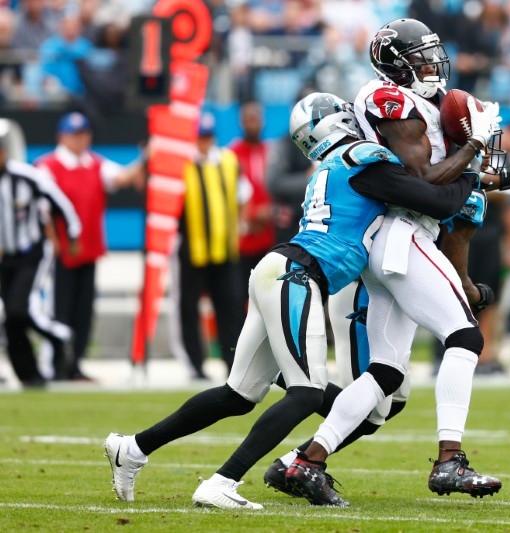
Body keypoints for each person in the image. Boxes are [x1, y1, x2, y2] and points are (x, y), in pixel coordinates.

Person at [103, 92, 475, 509]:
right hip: (296, 276)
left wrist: (496, 176)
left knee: (239, 395)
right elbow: (436, 198)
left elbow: (423, 187)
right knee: (307, 393)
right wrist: (472, 157)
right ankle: (221, 482)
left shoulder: (332, 167)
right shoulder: (363, 160)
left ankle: (133, 447)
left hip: (278, 270)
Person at [284, 18, 510, 505]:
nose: (433, 64)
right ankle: (449, 460)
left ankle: (307, 461)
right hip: (404, 233)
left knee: (386, 373)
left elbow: (450, 177)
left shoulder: (418, 104)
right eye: (422, 56)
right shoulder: (386, 98)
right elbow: (426, 179)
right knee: (466, 336)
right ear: (395, 63)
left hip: (397, 239)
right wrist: (475, 145)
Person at [36, 111, 144, 381]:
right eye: (75, 134)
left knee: (83, 310)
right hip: (61, 253)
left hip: (89, 249)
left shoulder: (94, 163)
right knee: (59, 310)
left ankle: (75, 364)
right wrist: (54, 242)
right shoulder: (48, 166)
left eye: (84, 134)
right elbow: (42, 210)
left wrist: (146, 158)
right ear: (62, 137)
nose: (81, 139)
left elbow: (122, 178)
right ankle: (55, 364)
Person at [0, 119, 81, 387]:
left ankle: (59, 336)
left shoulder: (26, 176)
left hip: (32, 253)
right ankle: (28, 375)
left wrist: (72, 233)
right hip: (5, 258)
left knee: (19, 309)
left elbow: (61, 203)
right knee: (11, 318)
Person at [167, 112, 248, 380]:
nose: (203, 142)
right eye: (199, 137)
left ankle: (233, 363)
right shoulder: (181, 164)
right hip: (191, 249)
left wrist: (240, 225)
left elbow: (243, 194)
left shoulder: (227, 160)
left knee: (231, 309)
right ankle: (195, 365)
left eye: (207, 137)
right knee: (188, 308)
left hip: (224, 249)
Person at [229, 102, 276, 292]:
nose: (252, 125)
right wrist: (252, 214)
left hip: (269, 237)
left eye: (256, 119)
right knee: (241, 295)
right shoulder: (232, 154)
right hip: (242, 240)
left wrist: (269, 212)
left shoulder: (272, 152)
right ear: (241, 122)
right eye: (248, 120)